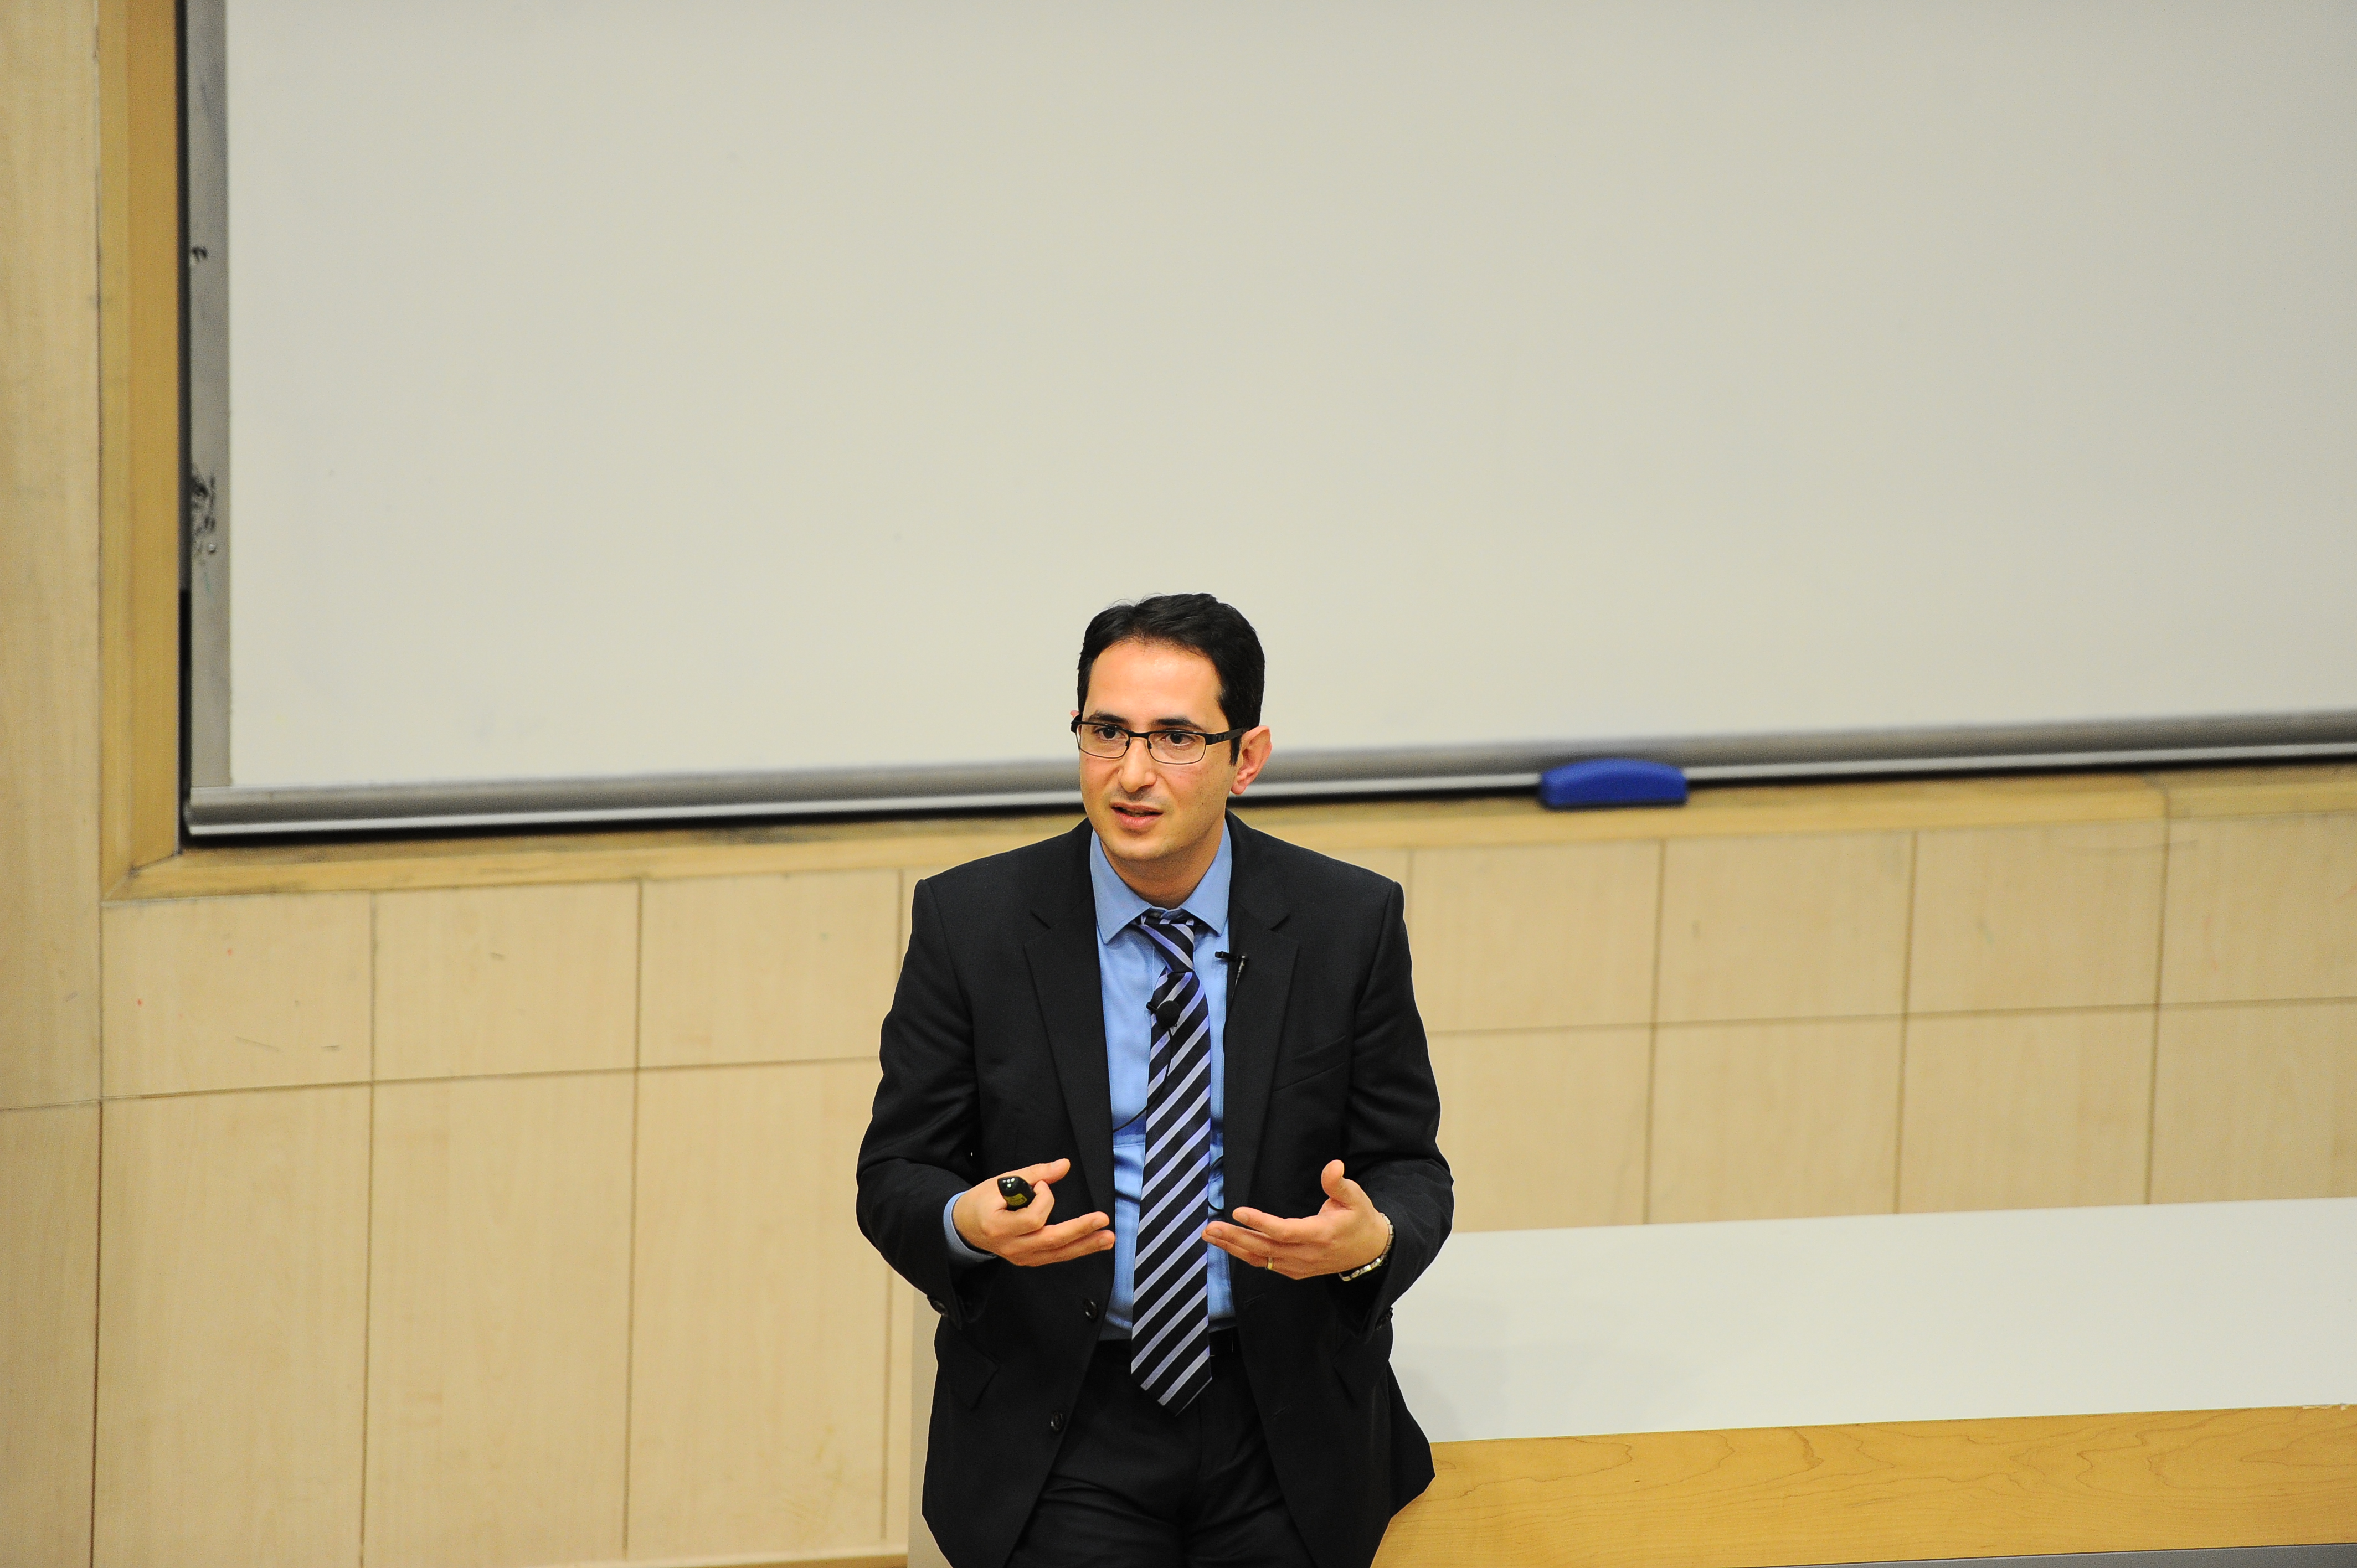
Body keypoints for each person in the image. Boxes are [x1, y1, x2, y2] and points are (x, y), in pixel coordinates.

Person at [857, 592, 1450, 1568]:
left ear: (1245, 758)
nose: (1132, 773)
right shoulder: (972, 924)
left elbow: (1411, 1169)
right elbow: (894, 1175)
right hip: (1064, 1410)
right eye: (1107, 733)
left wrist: (1369, 1242)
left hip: (1282, 1409)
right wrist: (969, 1223)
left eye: (1176, 738)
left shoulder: (1347, 923)